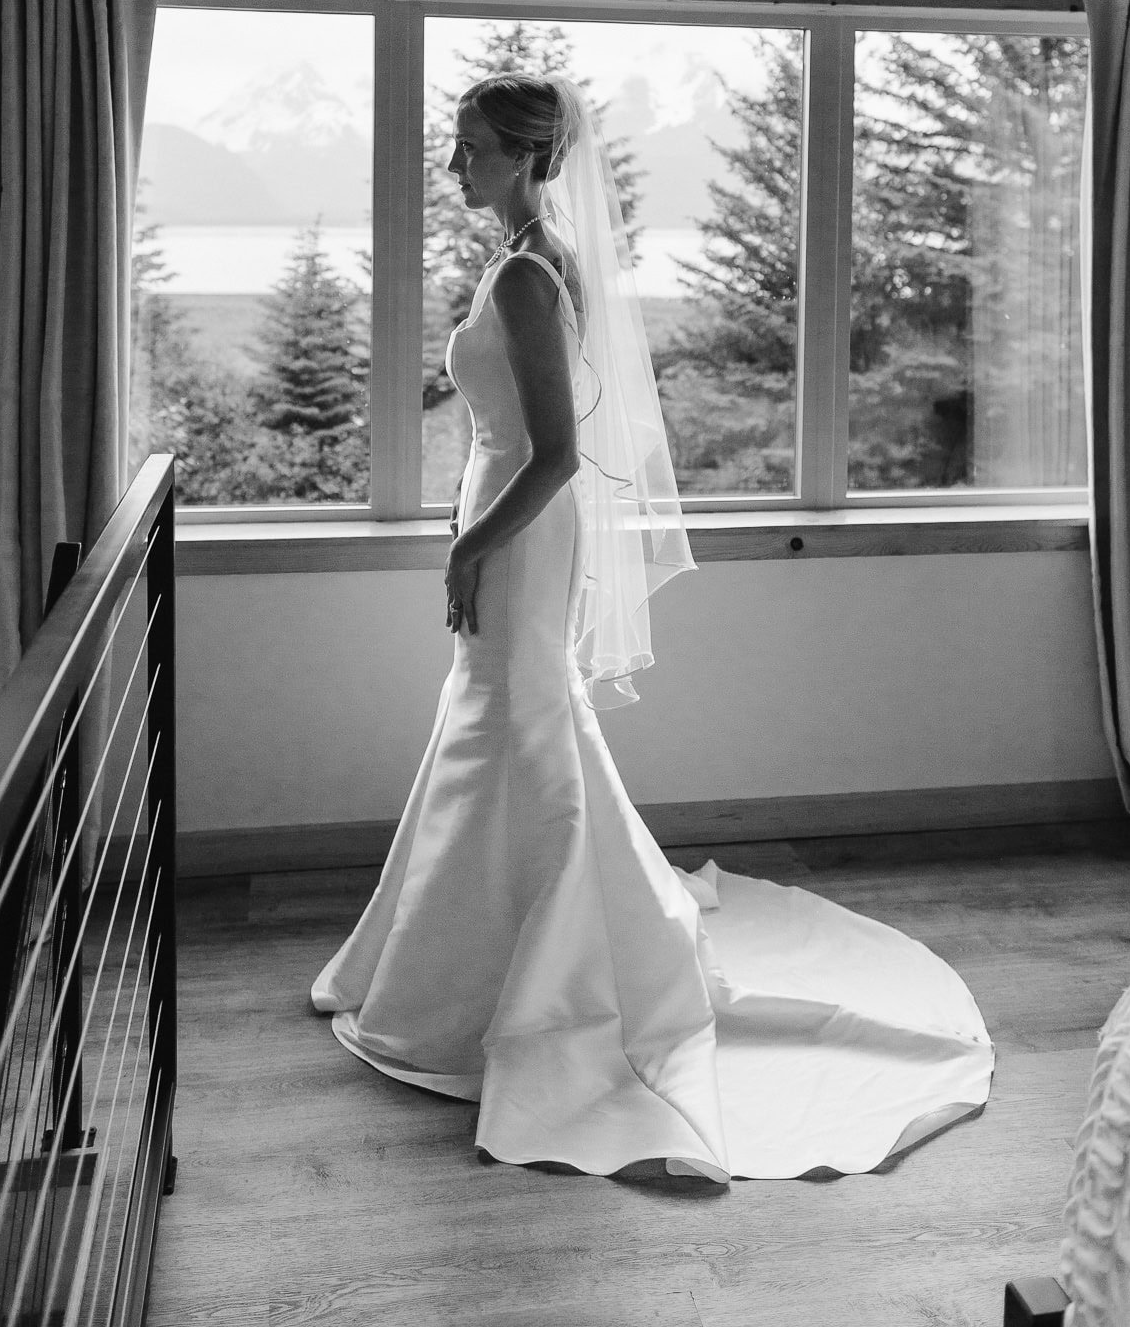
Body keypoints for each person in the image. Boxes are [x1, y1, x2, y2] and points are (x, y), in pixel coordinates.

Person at [312, 73, 993, 1180]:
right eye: (458, 146)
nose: (457, 166)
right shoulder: (521, 258)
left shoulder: (531, 274)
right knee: (507, 719)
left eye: (474, 147)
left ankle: (545, 975)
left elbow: (556, 454)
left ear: (530, 157)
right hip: (509, 523)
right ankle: (472, 954)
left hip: (520, 534)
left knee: (518, 720)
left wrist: (470, 543)